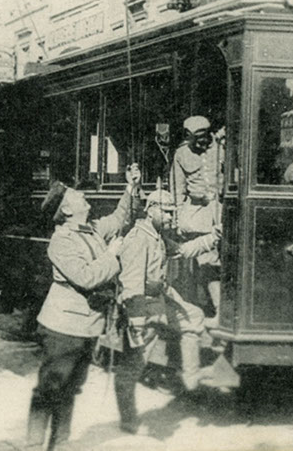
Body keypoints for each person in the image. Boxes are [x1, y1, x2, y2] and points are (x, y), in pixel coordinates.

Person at [26, 166, 143, 451]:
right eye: (75, 194)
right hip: (63, 327)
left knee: (70, 390)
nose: (82, 194)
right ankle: (32, 445)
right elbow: (86, 277)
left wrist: (131, 188)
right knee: (50, 388)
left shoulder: (89, 229)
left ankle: (61, 444)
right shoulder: (62, 240)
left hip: (87, 325)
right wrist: (112, 256)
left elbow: (119, 219)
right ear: (67, 208)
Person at [115, 190, 212, 435]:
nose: (170, 216)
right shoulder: (138, 238)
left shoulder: (156, 235)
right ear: (151, 209)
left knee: (194, 317)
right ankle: (128, 419)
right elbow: (131, 282)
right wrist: (136, 321)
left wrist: (214, 237)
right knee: (133, 365)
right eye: (166, 211)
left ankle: (191, 384)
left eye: (172, 211)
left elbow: (182, 250)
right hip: (143, 307)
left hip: (161, 299)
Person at [171, 115, 223, 326]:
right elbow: (177, 189)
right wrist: (177, 217)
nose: (202, 142)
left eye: (205, 137)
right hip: (197, 214)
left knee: (217, 262)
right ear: (189, 137)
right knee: (206, 260)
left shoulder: (220, 148)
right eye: (196, 138)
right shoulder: (181, 154)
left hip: (220, 209)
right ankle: (217, 311)